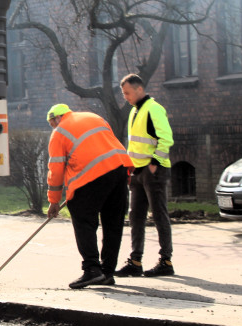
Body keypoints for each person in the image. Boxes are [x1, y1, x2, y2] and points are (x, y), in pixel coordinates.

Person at [45, 104, 133, 289]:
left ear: (55, 119)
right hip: (119, 169)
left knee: (82, 217)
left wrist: (53, 201)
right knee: (112, 223)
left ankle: (92, 269)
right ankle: (107, 272)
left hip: (93, 175)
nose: (53, 127)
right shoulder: (94, 117)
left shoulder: (59, 132)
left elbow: (56, 169)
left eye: (52, 124)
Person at [115, 73, 175, 278]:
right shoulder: (135, 111)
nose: (125, 97)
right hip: (138, 171)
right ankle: (135, 261)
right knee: (136, 217)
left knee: (159, 215)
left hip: (153, 171)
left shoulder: (154, 109)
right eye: (124, 93)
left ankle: (166, 261)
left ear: (139, 89)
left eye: (127, 92)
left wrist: (155, 163)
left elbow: (166, 138)